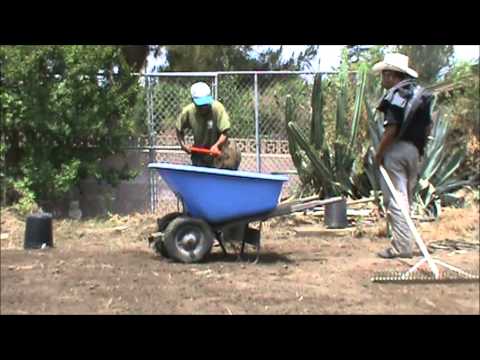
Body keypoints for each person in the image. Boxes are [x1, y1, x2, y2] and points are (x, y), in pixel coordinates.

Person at [372, 53, 434, 259]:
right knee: (406, 198)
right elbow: (428, 128)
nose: (382, 79)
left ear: (391, 75)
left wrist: (379, 153)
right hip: (414, 151)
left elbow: (392, 129)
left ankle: (402, 247)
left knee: (397, 200)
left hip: (397, 151)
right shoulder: (420, 95)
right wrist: (419, 151)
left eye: (383, 75)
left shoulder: (395, 95)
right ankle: (406, 241)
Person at [176, 82, 241, 170]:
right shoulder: (187, 112)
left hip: (219, 154)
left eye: (206, 104)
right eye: (201, 105)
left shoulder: (217, 108)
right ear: (193, 101)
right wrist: (183, 145)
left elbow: (225, 132)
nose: (204, 107)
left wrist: (216, 146)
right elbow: (179, 129)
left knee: (231, 152)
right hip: (200, 153)